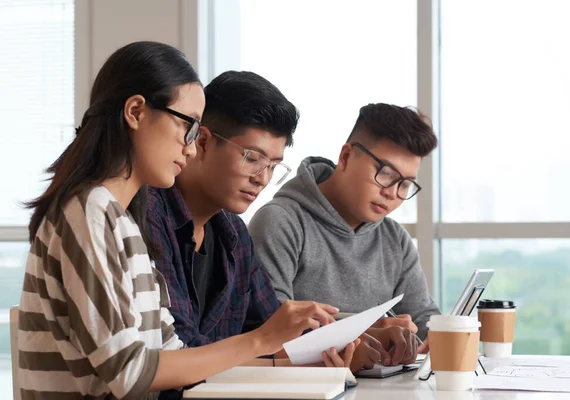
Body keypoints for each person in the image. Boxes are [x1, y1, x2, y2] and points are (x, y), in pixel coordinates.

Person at [18, 41, 350, 399]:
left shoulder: (125, 221)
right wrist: (262, 340)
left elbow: (177, 360)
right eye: (188, 127)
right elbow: (129, 372)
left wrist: (294, 364)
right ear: (136, 111)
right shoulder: (90, 210)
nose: (191, 148)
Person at [147, 71, 418, 377]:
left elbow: (273, 330)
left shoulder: (232, 233)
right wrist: (306, 359)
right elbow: (181, 355)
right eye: (252, 158)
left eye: (274, 166)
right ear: (204, 141)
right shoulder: (149, 217)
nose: (262, 178)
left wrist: (354, 341)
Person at [249, 103, 441, 350]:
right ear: (346, 156)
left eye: (404, 185)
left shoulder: (395, 239)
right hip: (304, 386)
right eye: (385, 173)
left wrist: (443, 334)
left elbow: (422, 319)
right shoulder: (281, 222)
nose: (392, 193)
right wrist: (366, 334)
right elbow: (269, 329)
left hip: (378, 386)